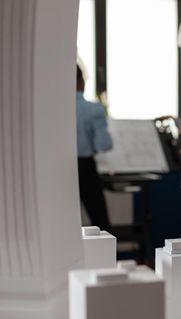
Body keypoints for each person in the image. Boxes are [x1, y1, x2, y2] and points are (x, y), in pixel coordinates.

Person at [76, 65, 112, 231]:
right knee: (100, 223)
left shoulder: (52, 108)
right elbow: (103, 144)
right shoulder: (92, 109)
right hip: (85, 167)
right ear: (81, 81)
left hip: (56, 169)